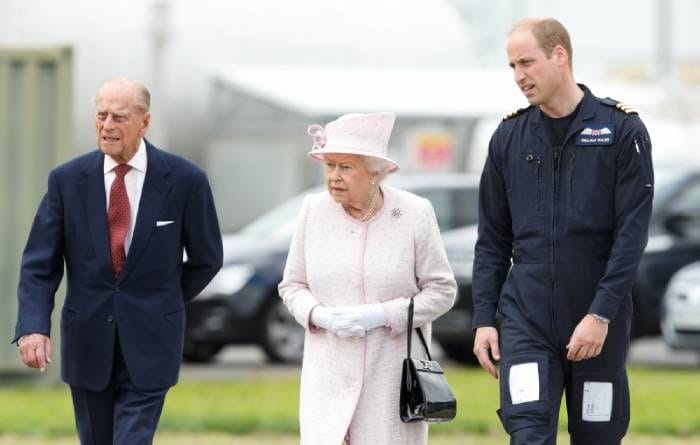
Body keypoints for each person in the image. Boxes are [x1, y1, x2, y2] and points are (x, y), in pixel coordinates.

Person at [471, 17, 654, 445]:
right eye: (512, 66)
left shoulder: (621, 131)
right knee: (528, 433)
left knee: (597, 435)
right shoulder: (508, 137)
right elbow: (492, 240)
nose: (519, 76)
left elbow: (631, 238)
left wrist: (600, 314)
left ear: (559, 56)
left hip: (596, 314)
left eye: (527, 62)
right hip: (526, 316)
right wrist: (484, 319)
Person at [13, 78, 223, 444]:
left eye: (120, 117)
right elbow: (39, 263)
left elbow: (207, 258)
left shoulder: (185, 180)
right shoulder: (67, 181)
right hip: (87, 339)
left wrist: (161, 300)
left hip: (153, 341)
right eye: (101, 115)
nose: (108, 125)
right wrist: (33, 326)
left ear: (145, 122)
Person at [278, 112, 456, 445]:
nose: (334, 177)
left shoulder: (415, 213)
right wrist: (320, 316)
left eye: (346, 167)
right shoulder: (312, 211)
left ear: (376, 172)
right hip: (327, 376)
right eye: (329, 166)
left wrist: (382, 315)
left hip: (388, 379)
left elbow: (442, 291)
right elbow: (292, 285)